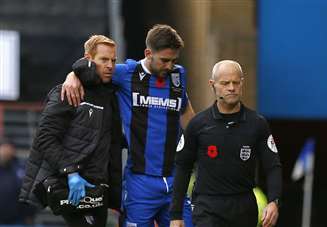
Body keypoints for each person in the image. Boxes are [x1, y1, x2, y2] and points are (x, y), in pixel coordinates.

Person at [61, 24, 195, 227]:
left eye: (174, 61)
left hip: (175, 180)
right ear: (148, 53)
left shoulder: (178, 76)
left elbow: (186, 112)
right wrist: (72, 76)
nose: (170, 66)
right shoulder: (125, 74)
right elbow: (90, 68)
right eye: (165, 60)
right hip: (140, 183)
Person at [19, 35, 123, 227]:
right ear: (88, 59)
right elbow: (45, 138)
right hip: (73, 186)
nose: (110, 65)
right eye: (104, 59)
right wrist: (71, 173)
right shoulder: (68, 91)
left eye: (113, 60)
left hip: (99, 189)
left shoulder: (109, 95)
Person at [169, 60, 282, 227]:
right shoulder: (198, 124)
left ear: (242, 83)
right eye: (225, 83)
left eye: (236, 82)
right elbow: (182, 167)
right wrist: (176, 214)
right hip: (207, 207)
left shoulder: (257, 124)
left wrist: (274, 201)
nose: (231, 87)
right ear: (212, 84)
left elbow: (273, 165)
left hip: (243, 207)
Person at [0, 138, 36, 224]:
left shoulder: (21, 169)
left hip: (18, 220)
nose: (5, 152)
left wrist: (30, 214)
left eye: (8, 148)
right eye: (3, 148)